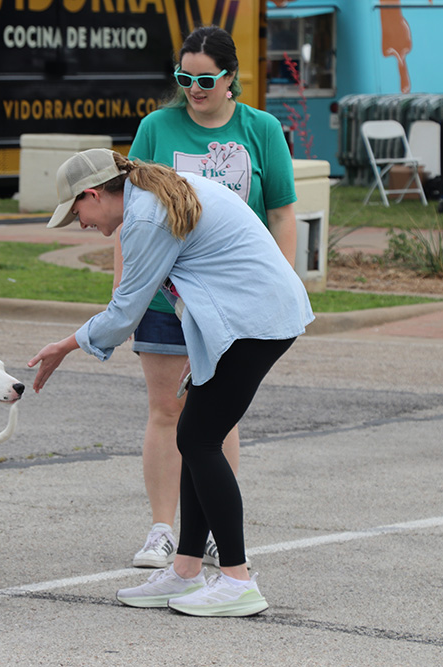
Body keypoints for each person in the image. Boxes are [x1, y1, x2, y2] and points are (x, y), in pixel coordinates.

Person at [28, 149, 313, 616]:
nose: (80, 224)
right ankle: (185, 570)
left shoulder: (146, 217)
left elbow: (125, 312)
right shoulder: (153, 194)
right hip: (248, 317)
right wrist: (206, 345)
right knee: (193, 438)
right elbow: (208, 275)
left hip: (255, 321)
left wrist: (65, 345)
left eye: (76, 212)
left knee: (199, 440)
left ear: (93, 194)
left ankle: (237, 581)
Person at [113, 25, 297, 570]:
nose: (193, 89)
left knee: (215, 419)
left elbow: (282, 213)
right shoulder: (156, 127)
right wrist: (125, 293)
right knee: (166, 410)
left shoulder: (261, 129)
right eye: (184, 78)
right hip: (165, 300)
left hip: (233, 304)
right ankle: (162, 530)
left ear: (230, 76)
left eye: (205, 79)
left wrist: (278, 289)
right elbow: (129, 216)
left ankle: (216, 528)